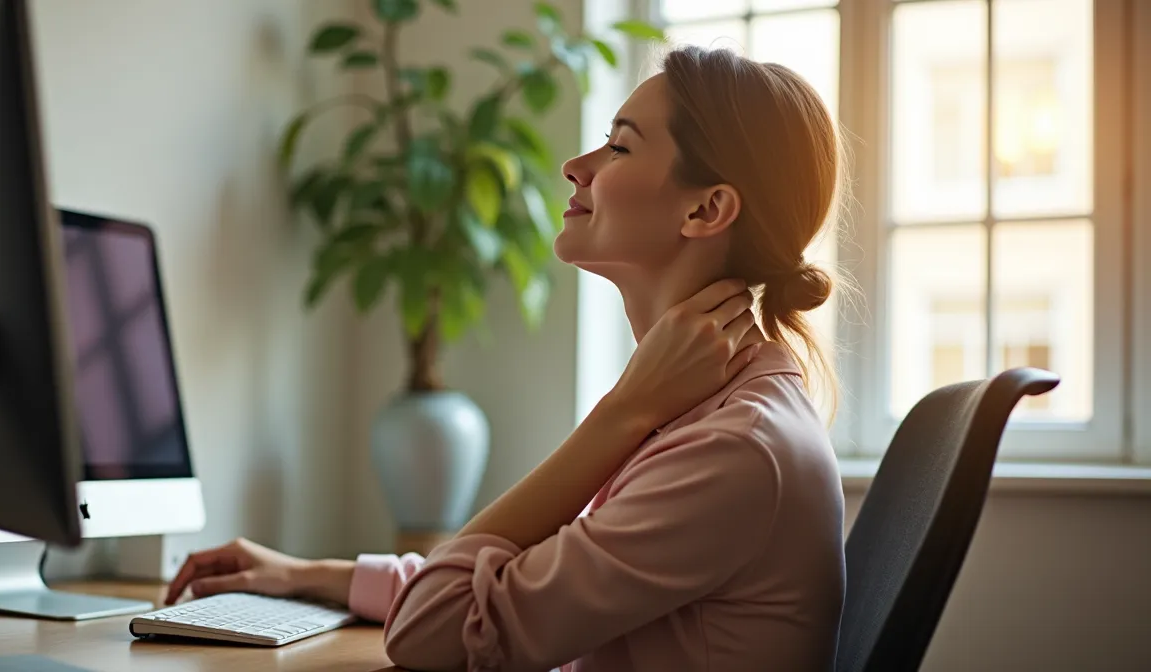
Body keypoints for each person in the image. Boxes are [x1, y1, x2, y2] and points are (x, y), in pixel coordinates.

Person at [166, 45, 847, 671]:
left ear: (705, 210)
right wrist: (308, 575)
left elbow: (436, 626)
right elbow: (530, 582)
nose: (576, 166)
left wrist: (620, 415)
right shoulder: (712, 409)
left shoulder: (730, 449)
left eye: (619, 147)